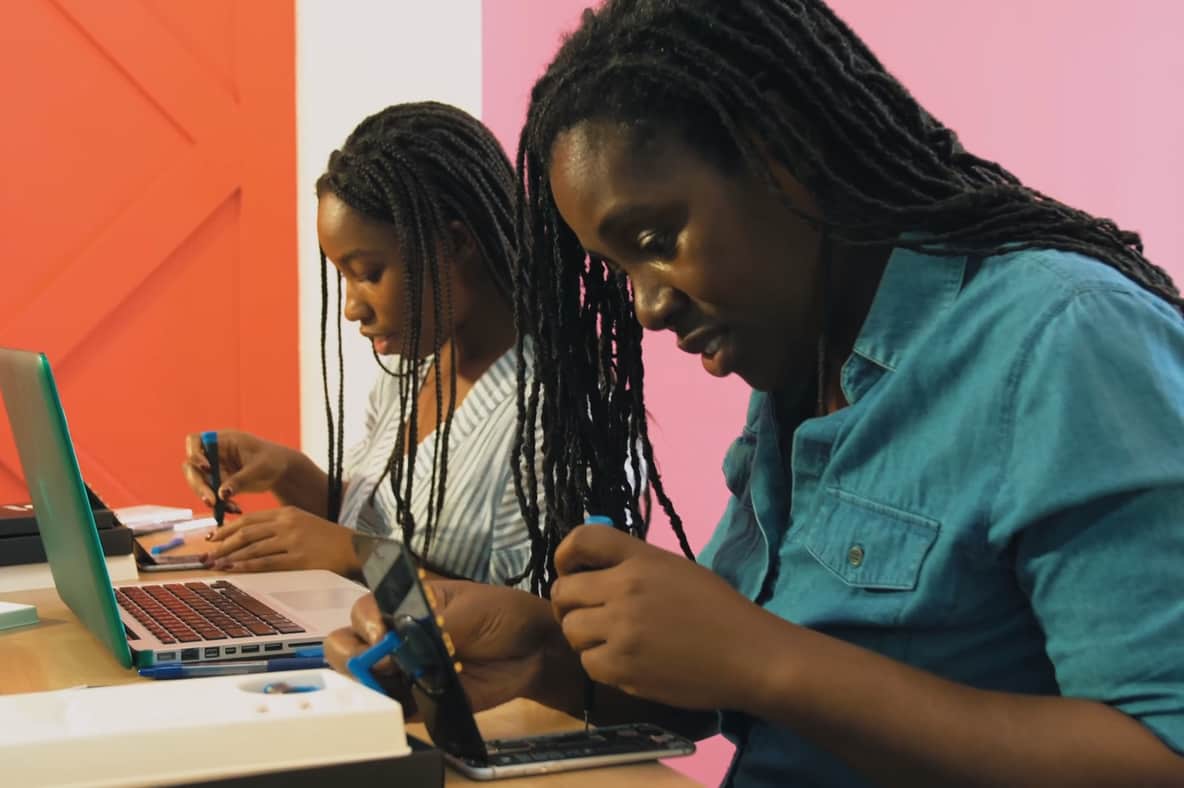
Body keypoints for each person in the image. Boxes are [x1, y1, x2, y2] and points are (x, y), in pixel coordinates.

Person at [327, 2, 1184, 785]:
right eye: (619, 268)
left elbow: (1161, 751)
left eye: (657, 238)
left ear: (789, 155)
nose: (648, 306)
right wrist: (544, 655)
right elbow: (718, 690)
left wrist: (764, 659)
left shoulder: (1066, 339)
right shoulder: (800, 366)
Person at [182, 102, 535, 585]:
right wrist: (288, 472)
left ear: (456, 244)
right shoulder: (411, 373)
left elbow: (533, 621)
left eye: (368, 273)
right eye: (343, 278)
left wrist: (359, 555)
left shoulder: (550, 417)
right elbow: (366, 528)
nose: (351, 308)